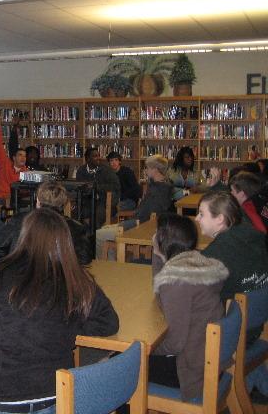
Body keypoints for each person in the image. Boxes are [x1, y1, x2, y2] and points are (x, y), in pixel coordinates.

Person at [0, 209, 119, 413]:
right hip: (53, 397)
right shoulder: (77, 281)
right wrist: (66, 324)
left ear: (23, 237)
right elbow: (109, 322)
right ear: (65, 241)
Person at [151, 213, 228, 401]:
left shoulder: (176, 281)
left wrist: (148, 349)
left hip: (190, 370)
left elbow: (175, 343)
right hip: (209, 359)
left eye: (156, 233)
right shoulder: (195, 265)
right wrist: (158, 254)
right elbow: (158, 288)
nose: (152, 237)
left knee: (120, 364)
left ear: (163, 239)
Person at [0, 179, 93, 265]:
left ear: (37, 200)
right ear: (64, 204)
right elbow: (85, 258)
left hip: (21, 282)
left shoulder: (19, 220)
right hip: (57, 284)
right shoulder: (75, 228)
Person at [95, 154, 173, 257]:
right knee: (104, 229)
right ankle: (111, 262)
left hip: (141, 226)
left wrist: (127, 222)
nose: (145, 170)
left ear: (155, 170)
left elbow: (146, 215)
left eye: (147, 168)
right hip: (140, 222)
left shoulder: (158, 190)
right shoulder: (159, 185)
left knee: (100, 234)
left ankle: (109, 266)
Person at [197, 190, 268, 301]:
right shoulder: (250, 231)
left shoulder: (214, 254)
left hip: (237, 313)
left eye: (201, 214)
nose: (197, 218)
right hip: (262, 306)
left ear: (220, 219)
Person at [75, 146, 120, 227]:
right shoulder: (81, 171)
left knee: (96, 218)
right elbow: (78, 186)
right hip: (86, 202)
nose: (98, 158)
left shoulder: (106, 170)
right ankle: (81, 236)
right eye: (95, 156)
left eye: (98, 155)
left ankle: (95, 238)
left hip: (104, 202)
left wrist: (97, 187)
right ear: (88, 159)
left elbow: (116, 186)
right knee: (75, 214)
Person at [0, 112, 28, 204]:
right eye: (20, 155)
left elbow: (26, 191)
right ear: (14, 158)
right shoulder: (5, 163)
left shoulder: (26, 172)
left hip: (15, 201)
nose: (23, 158)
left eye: (25, 156)